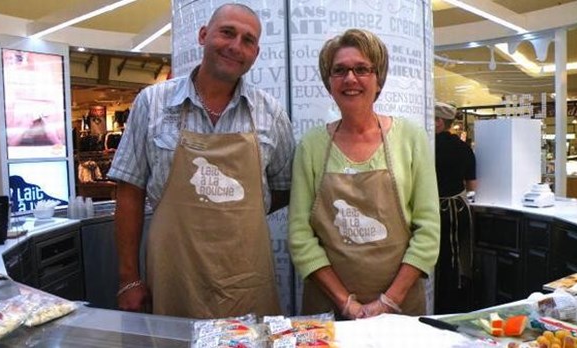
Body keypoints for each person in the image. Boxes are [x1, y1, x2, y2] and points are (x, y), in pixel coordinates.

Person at [107, 3, 295, 319]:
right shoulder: (152, 104)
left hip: (246, 278)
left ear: (255, 54)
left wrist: (232, 209)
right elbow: (129, 193)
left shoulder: (270, 113)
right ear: (203, 35)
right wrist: (128, 278)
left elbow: (284, 187)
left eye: (248, 40)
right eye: (227, 33)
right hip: (173, 275)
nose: (236, 46)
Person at [288, 29, 440, 319]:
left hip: (399, 306)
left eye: (361, 69)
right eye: (339, 70)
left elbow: (429, 230)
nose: (350, 79)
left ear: (378, 78)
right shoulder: (311, 145)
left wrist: (387, 301)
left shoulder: (410, 137)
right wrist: (345, 302)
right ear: (328, 82)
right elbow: (300, 235)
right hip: (328, 306)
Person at [433, 102, 477, 314]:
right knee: (455, 256)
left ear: (439, 122)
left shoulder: (426, 146)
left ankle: (437, 301)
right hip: (458, 210)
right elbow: (472, 185)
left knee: (436, 258)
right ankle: (455, 302)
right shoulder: (463, 148)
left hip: (433, 211)